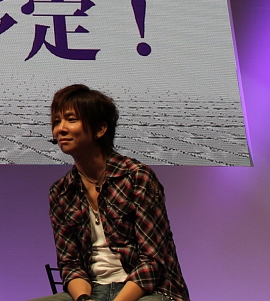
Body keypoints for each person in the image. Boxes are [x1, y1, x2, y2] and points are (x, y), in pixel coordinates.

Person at [29, 84, 190, 301]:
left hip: (147, 291)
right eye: (57, 121)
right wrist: (84, 299)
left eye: (71, 119)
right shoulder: (61, 191)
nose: (61, 129)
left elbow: (152, 262)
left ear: (100, 129)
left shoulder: (136, 176)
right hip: (93, 291)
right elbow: (70, 264)